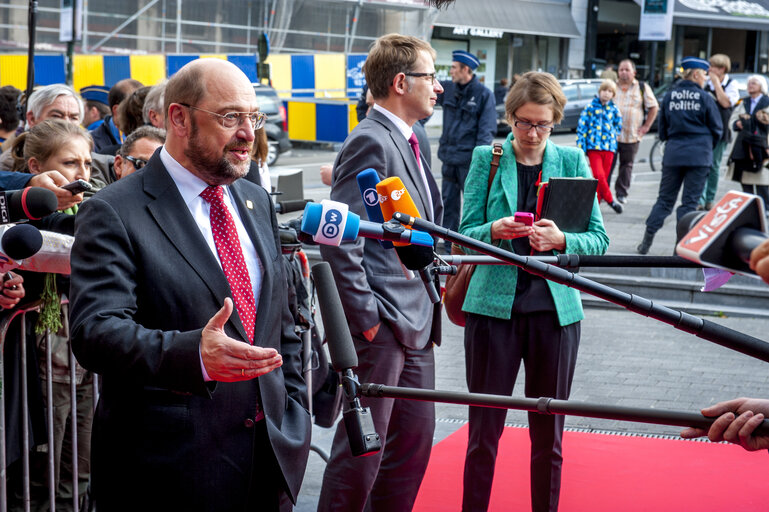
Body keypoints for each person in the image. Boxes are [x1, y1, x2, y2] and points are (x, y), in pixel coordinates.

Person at [68, 58, 310, 511]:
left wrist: (293, 411)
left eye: (252, 118)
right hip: (168, 472)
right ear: (178, 117)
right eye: (229, 117)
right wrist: (193, 355)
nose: (247, 133)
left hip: (268, 461)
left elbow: (282, 321)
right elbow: (96, 332)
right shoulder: (114, 210)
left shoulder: (255, 199)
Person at [458, 71, 609, 512]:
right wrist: (495, 230)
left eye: (542, 124)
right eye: (523, 122)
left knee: (550, 436)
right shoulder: (487, 158)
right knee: (483, 433)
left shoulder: (572, 161)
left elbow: (598, 240)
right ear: (510, 117)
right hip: (491, 310)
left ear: (556, 121)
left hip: (555, 313)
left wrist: (561, 240)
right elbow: (464, 233)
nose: (532, 133)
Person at [317, 33, 444, 512]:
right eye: (430, 77)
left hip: (416, 321)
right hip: (384, 326)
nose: (438, 87)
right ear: (400, 82)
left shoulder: (413, 137)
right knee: (362, 453)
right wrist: (367, 318)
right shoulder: (371, 140)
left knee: (411, 448)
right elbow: (339, 236)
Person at [8, 119, 94, 511]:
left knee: (80, 468)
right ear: (35, 168)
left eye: (88, 164)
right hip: (38, 361)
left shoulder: (91, 206)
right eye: (70, 162)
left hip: (84, 362)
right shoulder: (22, 215)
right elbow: (56, 232)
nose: (82, 174)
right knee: (42, 465)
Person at [637, 57, 722, 255]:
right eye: (704, 75)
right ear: (695, 74)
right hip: (700, 155)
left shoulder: (670, 96)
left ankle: (646, 242)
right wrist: (706, 146)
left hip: (674, 154)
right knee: (689, 204)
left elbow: (663, 130)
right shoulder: (705, 97)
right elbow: (717, 129)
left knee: (664, 200)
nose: (705, 79)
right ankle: (679, 248)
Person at [437, 49, 496, 253]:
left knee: (473, 206)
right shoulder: (448, 90)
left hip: (468, 163)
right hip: (449, 160)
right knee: (448, 204)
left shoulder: (483, 95)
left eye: (454, 67)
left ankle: (472, 247)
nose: (450, 71)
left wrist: (478, 162)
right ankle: (448, 247)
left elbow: (486, 131)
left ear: (466, 70)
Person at [0, 84, 92, 212]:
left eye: (73, 117)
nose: (66, 123)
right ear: (31, 118)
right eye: (56, 116)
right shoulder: (8, 164)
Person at [611, 59, 659, 203]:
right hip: (610, 136)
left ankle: (621, 193)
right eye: (621, 69)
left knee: (626, 166)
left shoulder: (642, 87)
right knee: (607, 166)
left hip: (631, 135)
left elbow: (653, 107)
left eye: (627, 70)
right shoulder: (612, 87)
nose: (624, 72)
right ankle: (603, 193)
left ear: (634, 72)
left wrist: (646, 127)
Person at [698, 54, 740, 211]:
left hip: (721, 131)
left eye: (713, 66)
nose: (710, 69)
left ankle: (710, 198)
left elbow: (726, 102)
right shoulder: (705, 82)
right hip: (704, 130)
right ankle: (700, 199)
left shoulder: (731, 84)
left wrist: (716, 84)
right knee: (702, 165)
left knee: (714, 166)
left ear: (722, 69)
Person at [576, 79, 624, 213]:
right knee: (598, 175)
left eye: (610, 91)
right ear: (599, 91)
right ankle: (611, 201)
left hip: (609, 148)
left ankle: (593, 207)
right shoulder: (590, 107)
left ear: (613, 94)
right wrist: (581, 146)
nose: (606, 94)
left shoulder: (614, 109)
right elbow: (582, 127)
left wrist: (613, 137)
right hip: (593, 148)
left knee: (602, 179)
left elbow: (618, 125)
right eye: (604, 90)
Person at [726, 75, 769, 207]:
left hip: (762, 146)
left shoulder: (767, 102)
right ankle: (751, 207)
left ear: (761, 86)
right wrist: (737, 123)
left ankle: (765, 207)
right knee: (745, 179)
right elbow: (732, 119)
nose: (750, 85)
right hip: (743, 145)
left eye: (754, 83)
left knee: (763, 180)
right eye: (749, 83)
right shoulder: (744, 102)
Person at [89, 78, 142, 155]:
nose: (142, 113)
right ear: (117, 110)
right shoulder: (92, 143)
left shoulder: (153, 137)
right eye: (136, 108)